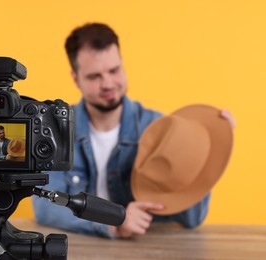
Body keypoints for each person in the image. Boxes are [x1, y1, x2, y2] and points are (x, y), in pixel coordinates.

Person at [32, 23, 231, 238]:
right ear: (75, 79)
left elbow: (191, 219)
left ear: (123, 65)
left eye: (114, 70)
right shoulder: (55, 129)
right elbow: (45, 207)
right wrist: (113, 224)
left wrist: (212, 145)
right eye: (94, 76)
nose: (108, 84)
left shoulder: (158, 128)